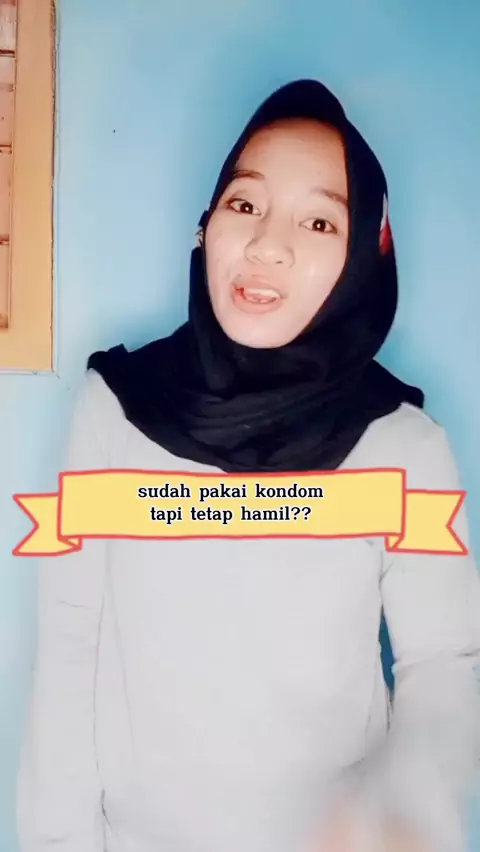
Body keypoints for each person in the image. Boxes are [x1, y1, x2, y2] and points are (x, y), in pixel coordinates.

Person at [17, 80, 480, 852]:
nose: (267, 244)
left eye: (320, 220)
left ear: (364, 258)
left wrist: (398, 818)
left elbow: (443, 662)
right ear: (206, 226)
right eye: (244, 203)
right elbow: (69, 644)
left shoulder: (405, 446)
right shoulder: (117, 407)